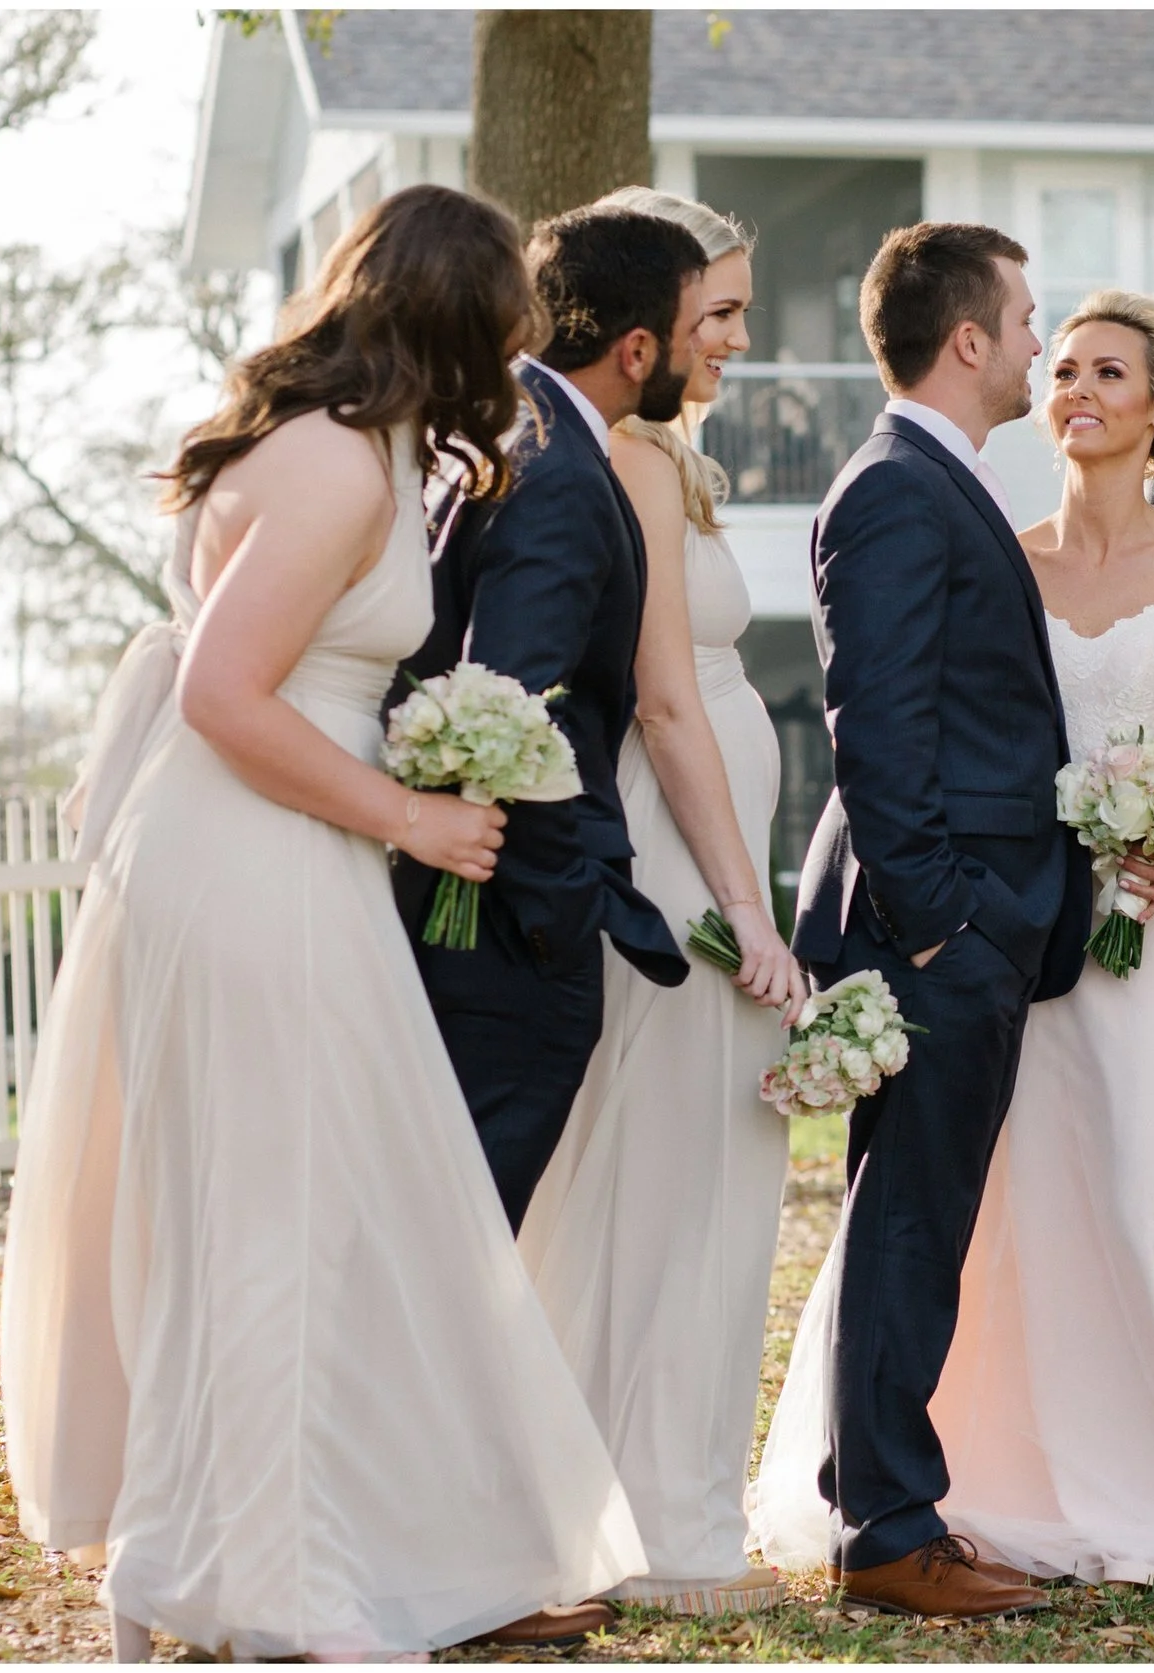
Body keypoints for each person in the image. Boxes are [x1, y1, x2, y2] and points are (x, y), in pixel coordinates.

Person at [0, 185, 646, 1663]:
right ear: (459, 318)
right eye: (505, 322)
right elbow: (225, 695)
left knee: (288, 1210)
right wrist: (411, 815)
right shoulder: (335, 464)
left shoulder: (343, 445)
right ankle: (264, 1580)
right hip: (257, 856)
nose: (517, 352)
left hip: (278, 848)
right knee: (277, 1218)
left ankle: (225, 1552)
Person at [756, 292, 1154, 1592]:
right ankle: (994, 1472)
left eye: (1108, 371)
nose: (1074, 386)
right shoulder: (1000, 555)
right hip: (1014, 919)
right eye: (1062, 363)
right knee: (1010, 1201)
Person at [773, 222, 1093, 1620]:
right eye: (1024, 320)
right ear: (968, 339)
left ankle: (889, 1499)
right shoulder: (896, 490)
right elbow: (879, 732)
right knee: (907, 1225)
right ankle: (887, 1531)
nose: (1037, 342)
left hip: (968, 926)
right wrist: (939, 929)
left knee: (919, 1224)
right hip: (937, 935)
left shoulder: (935, 478)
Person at [515, 186, 807, 1617]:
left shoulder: (665, 457)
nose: (738, 339)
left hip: (714, 844)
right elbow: (667, 701)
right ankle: (649, 1524)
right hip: (680, 854)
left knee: (704, 1169)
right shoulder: (621, 461)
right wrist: (749, 909)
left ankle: (653, 1498)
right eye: (719, 313)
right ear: (649, 324)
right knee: (667, 1166)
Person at [394, 204, 708, 1231]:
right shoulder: (559, 473)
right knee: (464, 1231)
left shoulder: (500, 433)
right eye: (695, 326)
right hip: (506, 934)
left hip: (479, 914)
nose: (707, 346)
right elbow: (508, 709)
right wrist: (558, 909)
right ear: (637, 349)